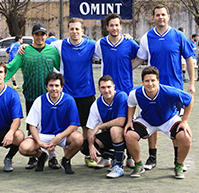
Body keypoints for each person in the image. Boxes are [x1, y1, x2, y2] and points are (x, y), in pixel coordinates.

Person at [0, 23, 61, 170]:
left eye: (42, 34)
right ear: (32, 35)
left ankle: (52, 157)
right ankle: (33, 156)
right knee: (31, 126)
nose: (40, 37)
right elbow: (11, 68)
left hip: (49, 97)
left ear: (46, 36)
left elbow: (61, 69)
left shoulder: (52, 51)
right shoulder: (24, 52)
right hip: (31, 95)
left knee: (50, 126)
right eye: (37, 34)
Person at [132, 4, 195, 171]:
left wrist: (192, 84)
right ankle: (152, 157)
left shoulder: (178, 35)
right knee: (152, 121)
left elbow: (189, 59)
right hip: (153, 88)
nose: (160, 17)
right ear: (153, 18)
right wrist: (123, 69)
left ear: (168, 17)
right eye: (157, 15)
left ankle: (177, 160)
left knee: (176, 125)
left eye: (163, 14)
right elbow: (139, 58)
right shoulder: (147, 37)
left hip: (174, 88)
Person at [124, 66, 193, 179]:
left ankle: (179, 165)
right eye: (147, 81)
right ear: (142, 82)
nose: (150, 84)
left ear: (158, 81)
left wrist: (184, 121)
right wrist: (129, 121)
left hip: (168, 120)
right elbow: (131, 104)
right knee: (129, 135)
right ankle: (138, 164)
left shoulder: (168, 91)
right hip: (147, 121)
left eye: (153, 80)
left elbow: (189, 99)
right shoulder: (135, 93)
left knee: (185, 136)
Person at [49, 18, 98, 167]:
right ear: (68, 31)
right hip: (68, 95)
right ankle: (67, 158)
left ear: (83, 31)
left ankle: (88, 155)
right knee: (68, 128)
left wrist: (126, 37)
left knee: (87, 126)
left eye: (77, 29)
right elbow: (40, 46)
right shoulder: (59, 45)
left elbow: (110, 44)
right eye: (72, 29)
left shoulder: (92, 45)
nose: (75, 32)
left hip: (87, 93)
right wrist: (23, 45)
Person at [93, 13, 139, 168]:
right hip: (107, 92)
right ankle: (106, 157)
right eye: (111, 25)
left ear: (121, 26)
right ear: (107, 27)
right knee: (107, 123)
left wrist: (129, 68)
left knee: (128, 124)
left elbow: (141, 56)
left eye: (117, 25)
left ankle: (131, 156)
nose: (114, 28)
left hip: (126, 90)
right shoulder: (101, 44)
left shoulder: (129, 43)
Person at [18, 72, 83, 174]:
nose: (54, 88)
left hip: (62, 135)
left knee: (79, 139)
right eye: (51, 85)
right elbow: (32, 125)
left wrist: (58, 138)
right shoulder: (39, 101)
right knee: (23, 148)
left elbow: (74, 125)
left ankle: (66, 160)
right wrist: (39, 143)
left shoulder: (69, 100)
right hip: (43, 134)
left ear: (61, 87)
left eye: (57, 85)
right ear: (46, 87)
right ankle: (42, 156)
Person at [81, 75, 128, 178]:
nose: (106, 90)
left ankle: (119, 166)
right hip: (110, 135)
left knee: (114, 130)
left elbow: (121, 121)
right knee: (84, 146)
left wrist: (100, 126)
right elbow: (90, 129)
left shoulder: (121, 96)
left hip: (127, 135)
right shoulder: (96, 104)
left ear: (114, 87)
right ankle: (116, 157)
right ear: (99, 89)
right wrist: (91, 146)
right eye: (103, 87)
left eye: (109, 87)